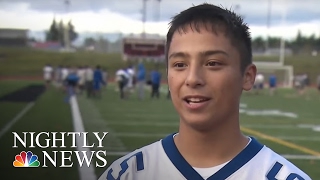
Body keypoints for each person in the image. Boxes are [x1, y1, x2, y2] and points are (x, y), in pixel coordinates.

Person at [98, 3, 311, 180]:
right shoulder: (126, 174)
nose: (192, 79)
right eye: (180, 65)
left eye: (212, 63)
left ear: (247, 76)